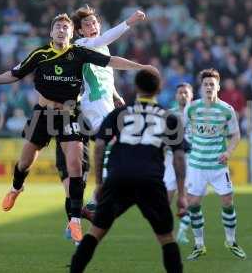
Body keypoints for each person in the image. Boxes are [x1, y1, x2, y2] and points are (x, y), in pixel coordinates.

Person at [0, 13, 159, 244]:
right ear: (51, 32)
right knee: (25, 162)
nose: (61, 30)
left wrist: (141, 67)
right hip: (43, 115)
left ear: (72, 34)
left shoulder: (78, 52)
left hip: (69, 113)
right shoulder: (40, 54)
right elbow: (15, 74)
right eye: (58, 27)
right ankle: (16, 188)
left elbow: (110, 62)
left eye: (65, 28)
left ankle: (75, 221)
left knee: (75, 166)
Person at [70, 69, 187, 273]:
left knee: (96, 231)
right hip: (150, 179)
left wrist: (99, 184)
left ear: (136, 88)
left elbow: (99, 145)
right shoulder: (169, 118)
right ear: (159, 89)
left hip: (119, 177)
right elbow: (178, 157)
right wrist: (182, 194)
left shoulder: (120, 113)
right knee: (166, 237)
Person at [56, 5, 146, 237]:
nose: (93, 27)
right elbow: (107, 38)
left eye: (95, 23)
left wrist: (116, 95)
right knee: (115, 147)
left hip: (104, 104)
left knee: (107, 152)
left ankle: (77, 217)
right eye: (87, 25)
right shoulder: (83, 45)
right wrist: (130, 21)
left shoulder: (101, 47)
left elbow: (106, 76)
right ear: (79, 31)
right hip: (93, 106)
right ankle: (96, 201)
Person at [183, 68, 246, 260]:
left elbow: (236, 135)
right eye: (206, 84)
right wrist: (189, 145)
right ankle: (199, 245)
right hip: (196, 166)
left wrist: (228, 151)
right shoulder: (191, 108)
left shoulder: (226, 110)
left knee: (227, 201)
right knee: (193, 204)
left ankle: (231, 241)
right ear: (201, 87)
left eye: (212, 84)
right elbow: (183, 131)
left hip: (218, 166)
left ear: (218, 86)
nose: (209, 87)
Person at [163, 83, 193, 245]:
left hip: (190, 159)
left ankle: (182, 232)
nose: (183, 95)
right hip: (170, 159)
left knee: (188, 197)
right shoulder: (169, 115)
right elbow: (161, 136)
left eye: (186, 93)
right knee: (166, 198)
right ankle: (166, 232)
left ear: (191, 96)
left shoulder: (196, 115)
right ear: (175, 96)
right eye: (180, 92)